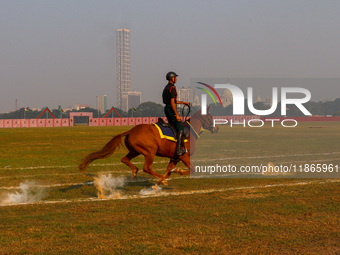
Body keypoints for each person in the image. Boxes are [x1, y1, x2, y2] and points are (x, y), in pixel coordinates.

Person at [162, 71, 190, 156]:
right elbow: (172, 102)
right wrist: (177, 115)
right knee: (180, 127)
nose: (176, 79)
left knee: (174, 125)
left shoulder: (167, 87)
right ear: (171, 78)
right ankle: (178, 150)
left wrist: (184, 102)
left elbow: (173, 101)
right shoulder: (172, 88)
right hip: (171, 108)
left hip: (167, 108)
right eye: (175, 77)